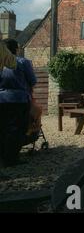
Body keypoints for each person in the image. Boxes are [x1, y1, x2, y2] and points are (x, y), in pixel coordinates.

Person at [0, 39, 37, 167]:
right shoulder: (22, 62)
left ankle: (3, 156)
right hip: (18, 99)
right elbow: (32, 80)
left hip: (1, 99)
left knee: (3, 128)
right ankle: (11, 158)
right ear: (16, 49)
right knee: (17, 129)